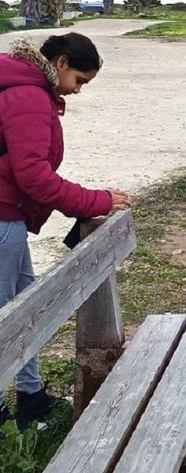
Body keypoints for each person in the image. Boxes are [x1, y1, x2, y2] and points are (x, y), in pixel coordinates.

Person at [0, 34, 131, 430]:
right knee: (7, 317)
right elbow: (35, 177)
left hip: (10, 220)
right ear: (59, 63)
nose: (77, 90)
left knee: (24, 306)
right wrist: (96, 202)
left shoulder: (26, 88)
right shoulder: (29, 97)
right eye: (79, 80)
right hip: (3, 221)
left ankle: (32, 397)